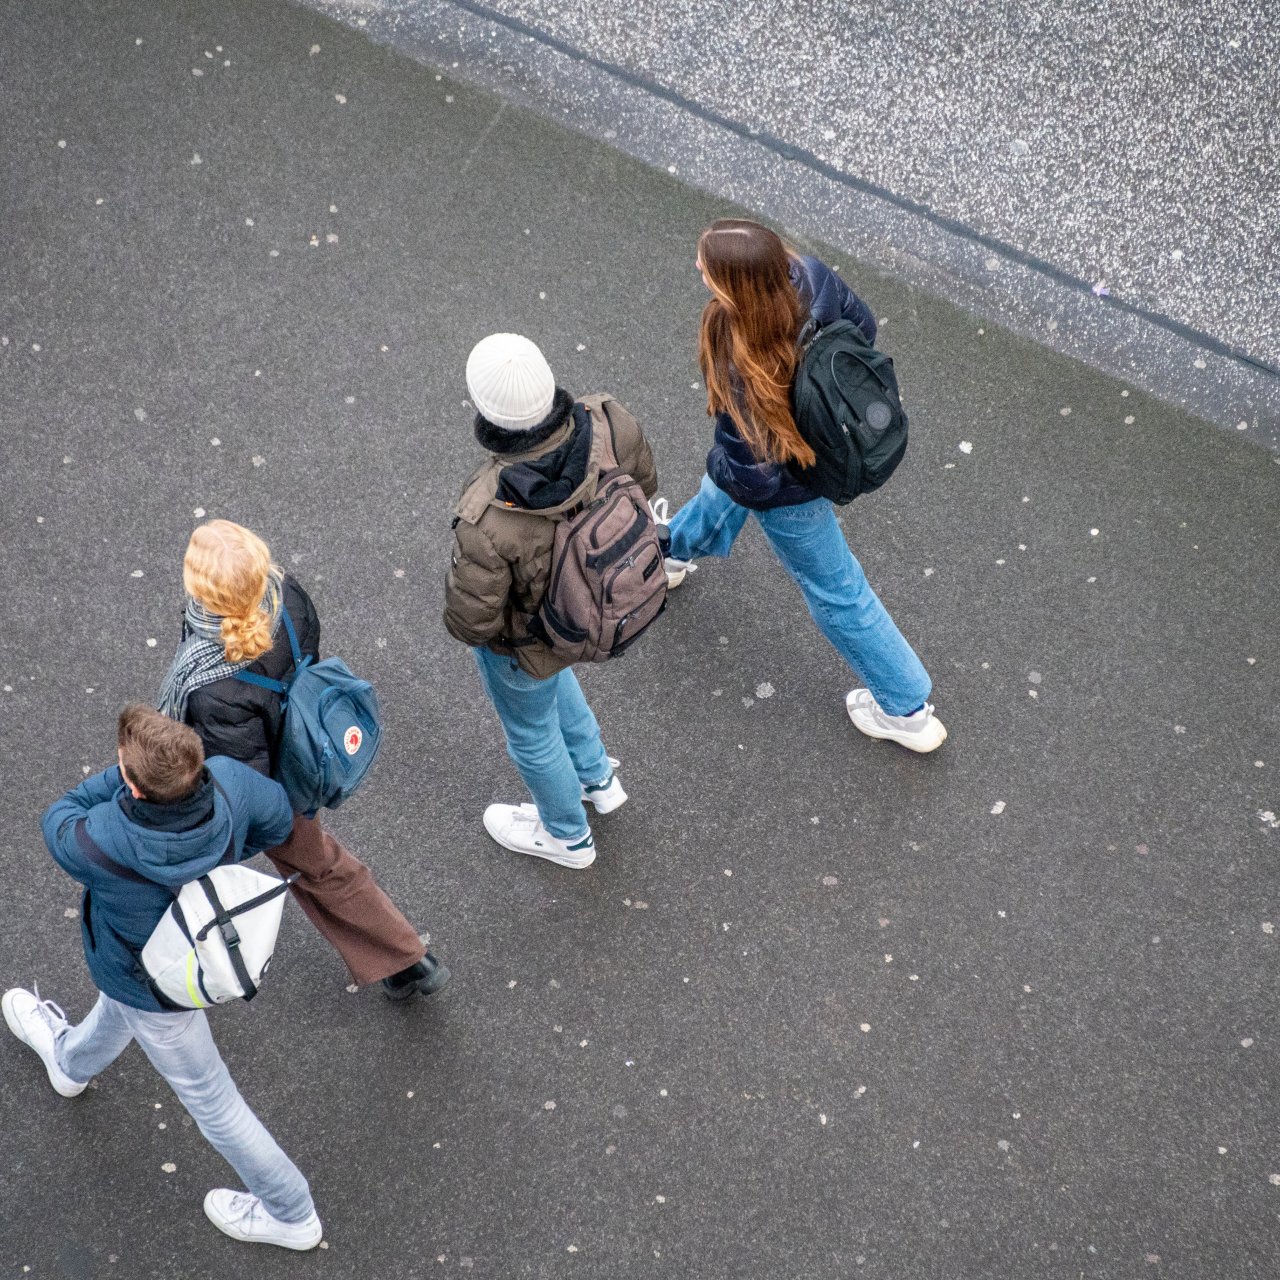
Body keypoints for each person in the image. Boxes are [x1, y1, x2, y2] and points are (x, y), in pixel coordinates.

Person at [3, 705, 322, 1249]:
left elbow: (60, 814)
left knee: (215, 1104)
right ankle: (69, 1060)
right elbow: (275, 820)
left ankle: (292, 1214)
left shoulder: (99, 840)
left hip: (146, 977)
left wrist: (122, 775)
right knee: (120, 1012)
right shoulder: (233, 785)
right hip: (198, 954)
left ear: (134, 785)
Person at [656, 218, 947, 752]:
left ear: (735, 287)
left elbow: (754, 477)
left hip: (788, 487)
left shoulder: (733, 345)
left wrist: (730, 465)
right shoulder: (807, 274)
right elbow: (864, 327)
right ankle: (671, 550)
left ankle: (906, 709)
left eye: (707, 265)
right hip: (816, 453)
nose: (698, 267)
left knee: (838, 593)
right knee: (722, 486)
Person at [157, 519, 449, 1000]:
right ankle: (407, 959)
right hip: (304, 750)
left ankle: (170, 956)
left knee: (176, 857)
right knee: (324, 866)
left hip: (273, 785)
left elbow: (239, 779)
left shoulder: (213, 684)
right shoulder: (285, 594)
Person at [444, 332, 658, 867]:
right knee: (557, 683)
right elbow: (646, 486)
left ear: (486, 413)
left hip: (531, 640)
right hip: (591, 611)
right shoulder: (609, 420)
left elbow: (472, 621)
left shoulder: (489, 513)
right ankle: (596, 778)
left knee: (531, 733)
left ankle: (567, 834)